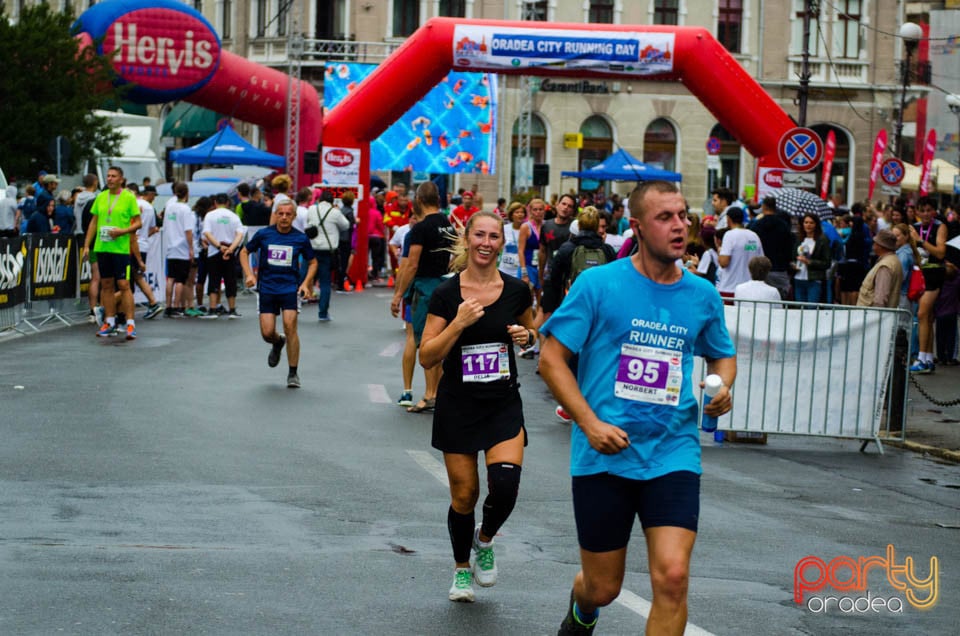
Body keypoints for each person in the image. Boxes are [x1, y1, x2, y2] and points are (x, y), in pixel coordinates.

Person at [539, 180, 736, 636]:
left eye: (683, 215)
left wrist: (722, 386)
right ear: (638, 227)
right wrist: (589, 424)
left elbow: (721, 353)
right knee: (603, 587)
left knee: (672, 577)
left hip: (673, 451)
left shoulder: (701, 294)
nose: (679, 226)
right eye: (665, 217)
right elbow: (552, 360)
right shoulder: (598, 284)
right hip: (603, 454)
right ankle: (582, 607)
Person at [418, 211, 537, 603]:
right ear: (467, 239)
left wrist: (527, 337)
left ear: (502, 243)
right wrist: (458, 323)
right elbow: (427, 357)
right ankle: (461, 569)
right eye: (479, 235)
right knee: (465, 495)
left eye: (494, 236)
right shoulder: (446, 294)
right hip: (459, 404)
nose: (486, 243)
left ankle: (484, 541)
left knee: (504, 487)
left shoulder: (518, 290)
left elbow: (533, 335)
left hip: (503, 402)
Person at [390, 181, 456, 413]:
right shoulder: (448, 225)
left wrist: (398, 294)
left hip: (425, 287)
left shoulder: (420, 228)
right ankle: (436, 392)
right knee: (439, 340)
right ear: (438, 199)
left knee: (424, 341)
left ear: (418, 200)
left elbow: (411, 264)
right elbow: (455, 258)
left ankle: (429, 395)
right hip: (445, 284)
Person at [240, 199, 317, 388]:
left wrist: (306, 284)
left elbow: (313, 262)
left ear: (294, 216)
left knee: (290, 326)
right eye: (280, 213)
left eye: (288, 214)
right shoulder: (264, 234)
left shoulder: (300, 238)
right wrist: (249, 274)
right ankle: (277, 341)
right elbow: (244, 252)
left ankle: (293, 373)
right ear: (275, 214)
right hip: (267, 288)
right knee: (267, 333)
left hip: (290, 288)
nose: (283, 217)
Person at [81, 166, 142, 340]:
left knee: (124, 286)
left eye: (114, 176)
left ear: (121, 179)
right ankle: (109, 321)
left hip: (120, 249)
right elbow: (94, 222)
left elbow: (138, 223)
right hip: (102, 247)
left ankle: (130, 324)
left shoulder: (129, 197)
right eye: (108, 176)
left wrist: (122, 231)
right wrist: (87, 245)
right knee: (106, 285)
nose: (110, 179)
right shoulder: (100, 197)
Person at [908, 198, 949, 373]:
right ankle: (929, 358)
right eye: (922, 210)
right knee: (927, 317)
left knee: (922, 313)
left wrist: (921, 241)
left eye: (928, 210)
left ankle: (921, 358)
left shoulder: (940, 227)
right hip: (919, 273)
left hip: (934, 273)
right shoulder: (913, 227)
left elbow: (940, 253)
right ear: (917, 211)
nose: (925, 214)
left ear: (934, 211)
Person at [305, 189, 350, 321]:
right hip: (328, 251)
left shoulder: (312, 209)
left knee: (305, 278)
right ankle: (323, 313)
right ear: (332, 202)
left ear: (319, 200)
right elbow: (346, 225)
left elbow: (308, 222)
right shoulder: (335, 212)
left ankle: (295, 306)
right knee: (325, 282)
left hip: (312, 249)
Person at [201, 193, 246, 319]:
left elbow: (207, 233)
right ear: (227, 203)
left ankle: (213, 309)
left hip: (214, 251)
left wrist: (219, 247)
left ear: (215, 203)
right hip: (229, 252)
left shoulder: (209, 215)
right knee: (230, 279)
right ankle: (232, 309)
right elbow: (240, 234)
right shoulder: (234, 216)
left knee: (214, 279)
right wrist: (230, 249)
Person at [128, 183, 163, 319]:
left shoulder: (132, 205)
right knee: (136, 277)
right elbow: (153, 228)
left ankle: (152, 302)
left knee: (131, 278)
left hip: (133, 244)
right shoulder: (149, 207)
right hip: (143, 244)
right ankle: (152, 303)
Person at [750, 196, 794, 299]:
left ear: (764, 207)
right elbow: (789, 248)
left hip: (761, 270)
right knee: (781, 299)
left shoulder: (756, 225)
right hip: (780, 269)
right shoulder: (784, 226)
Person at [162, 183, 196, 318]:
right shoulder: (185, 209)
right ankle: (177, 306)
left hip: (170, 246)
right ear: (186, 193)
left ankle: (168, 306)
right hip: (182, 247)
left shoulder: (169, 208)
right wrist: (191, 248)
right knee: (180, 279)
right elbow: (188, 231)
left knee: (170, 278)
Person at [716, 207, 764, 298]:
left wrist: (719, 251)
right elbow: (761, 261)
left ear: (728, 219)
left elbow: (724, 262)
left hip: (730, 288)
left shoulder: (729, 235)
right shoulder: (754, 236)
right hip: (750, 290)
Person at [856, 229, 903, 308]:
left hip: (872, 317)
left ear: (880, 246)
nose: (873, 245)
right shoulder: (892, 260)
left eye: (875, 243)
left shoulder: (885, 266)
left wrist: (876, 316)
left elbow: (880, 300)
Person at [791, 212, 832, 303]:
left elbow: (827, 263)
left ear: (816, 225)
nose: (808, 225)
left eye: (811, 223)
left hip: (814, 279)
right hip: (798, 278)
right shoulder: (799, 239)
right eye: (806, 222)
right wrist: (793, 265)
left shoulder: (822, 240)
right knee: (800, 308)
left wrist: (809, 262)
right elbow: (793, 257)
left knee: (812, 308)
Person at [498, 202, 526, 280]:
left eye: (522, 212)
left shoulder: (527, 229)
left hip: (520, 270)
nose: (520, 214)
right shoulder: (504, 229)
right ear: (511, 215)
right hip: (504, 269)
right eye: (517, 212)